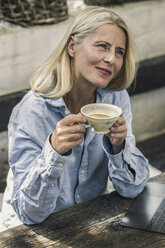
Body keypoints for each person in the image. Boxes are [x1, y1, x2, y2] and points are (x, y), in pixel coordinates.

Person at [0, 6, 149, 231]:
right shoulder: (32, 111)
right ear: (72, 46)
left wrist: (119, 148)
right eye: (102, 46)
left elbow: (132, 189)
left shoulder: (116, 100)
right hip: (27, 230)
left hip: (88, 222)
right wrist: (53, 152)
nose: (111, 59)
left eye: (119, 52)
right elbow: (29, 213)